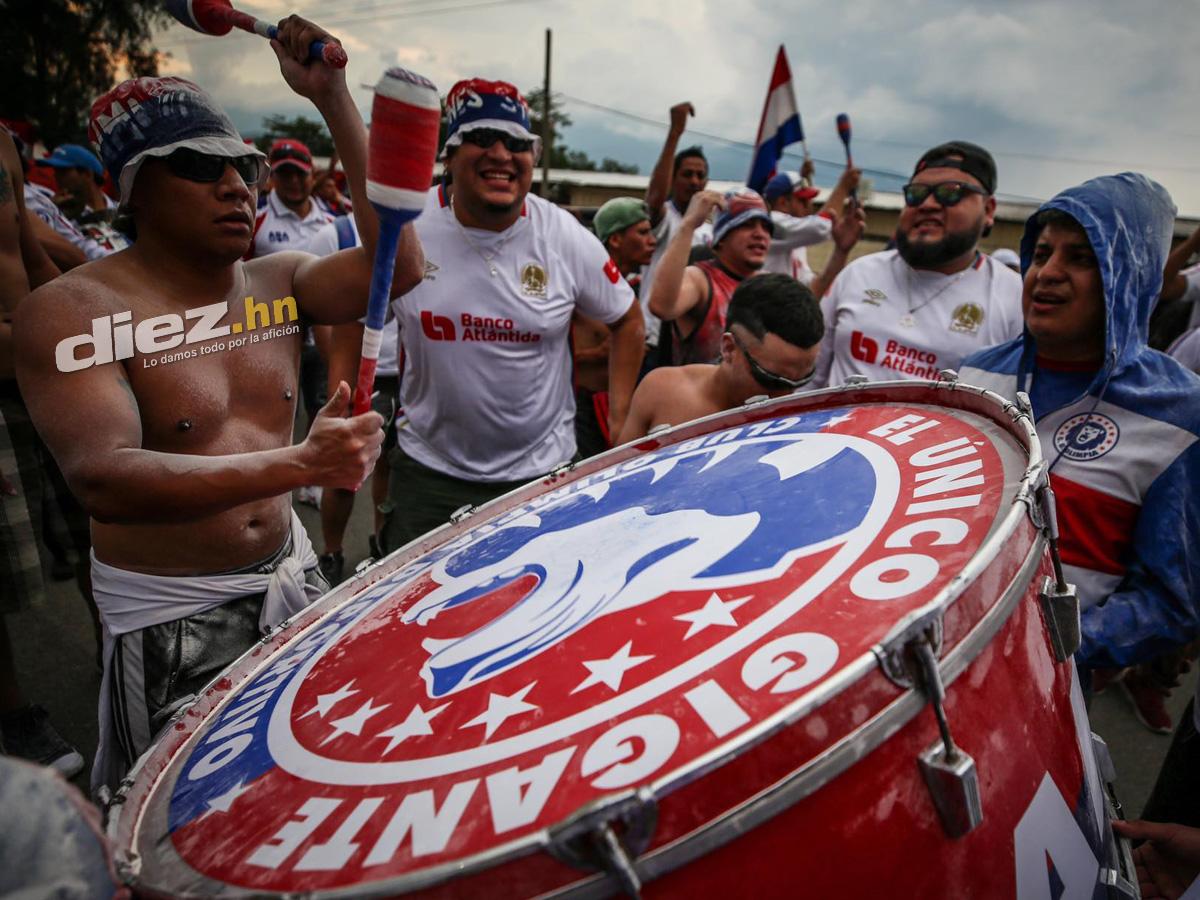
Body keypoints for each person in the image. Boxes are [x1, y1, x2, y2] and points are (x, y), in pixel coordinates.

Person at [14, 16, 423, 794]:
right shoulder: (73, 311)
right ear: (128, 188)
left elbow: (399, 263)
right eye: (200, 166)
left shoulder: (278, 282)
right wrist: (301, 462)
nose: (237, 185)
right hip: (174, 610)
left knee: (311, 782)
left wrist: (333, 95)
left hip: (288, 576)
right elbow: (105, 477)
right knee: (179, 816)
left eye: (246, 165)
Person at [959, 174, 1200, 737]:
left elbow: (1172, 603)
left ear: (1130, 275)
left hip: (1043, 704)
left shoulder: (1179, 413)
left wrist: (1047, 638)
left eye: (1082, 257)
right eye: (1041, 253)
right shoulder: (975, 373)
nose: (1047, 273)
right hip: (929, 669)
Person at [381, 77, 644, 550]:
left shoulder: (562, 234)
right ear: (449, 156)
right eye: (481, 139)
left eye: (517, 143)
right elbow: (344, 309)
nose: (501, 154)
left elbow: (628, 319)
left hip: (542, 477)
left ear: (532, 158)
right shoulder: (407, 227)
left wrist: (622, 417)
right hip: (430, 476)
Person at [0, 127, 84, 777]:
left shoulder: (3, 141)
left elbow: (29, 253)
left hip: (42, 378)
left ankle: (124, 661)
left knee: (93, 526)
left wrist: (95, 308)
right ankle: (15, 714)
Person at [812, 140, 1023, 387]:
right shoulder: (858, 274)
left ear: (988, 210)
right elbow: (810, 380)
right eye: (916, 193)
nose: (928, 204)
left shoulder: (1014, 299)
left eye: (950, 192)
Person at [618, 274, 822, 442]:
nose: (786, 397)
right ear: (729, 348)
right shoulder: (661, 392)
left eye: (802, 380)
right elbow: (615, 483)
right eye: (770, 380)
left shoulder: (807, 423)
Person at [648, 187, 773, 365]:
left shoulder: (769, 285)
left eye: (766, 227)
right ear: (721, 237)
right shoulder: (701, 281)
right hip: (697, 392)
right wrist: (689, 224)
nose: (760, 234)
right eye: (747, 224)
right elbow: (661, 305)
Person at [573, 197, 657, 456]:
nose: (652, 240)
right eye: (642, 232)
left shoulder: (632, 289)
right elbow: (541, 353)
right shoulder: (579, 287)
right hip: (579, 414)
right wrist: (595, 355)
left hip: (617, 407)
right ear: (616, 239)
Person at [641, 102, 709, 354]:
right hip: (655, 340)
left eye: (700, 175)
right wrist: (675, 133)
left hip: (694, 341)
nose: (694, 181)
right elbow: (654, 199)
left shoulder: (711, 231)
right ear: (673, 178)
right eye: (687, 174)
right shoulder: (665, 217)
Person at [761, 165, 863, 296]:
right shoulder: (769, 222)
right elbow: (820, 227)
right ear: (783, 203)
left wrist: (841, 251)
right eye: (803, 200)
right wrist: (843, 187)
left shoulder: (794, 238)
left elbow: (812, 289)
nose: (810, 205)